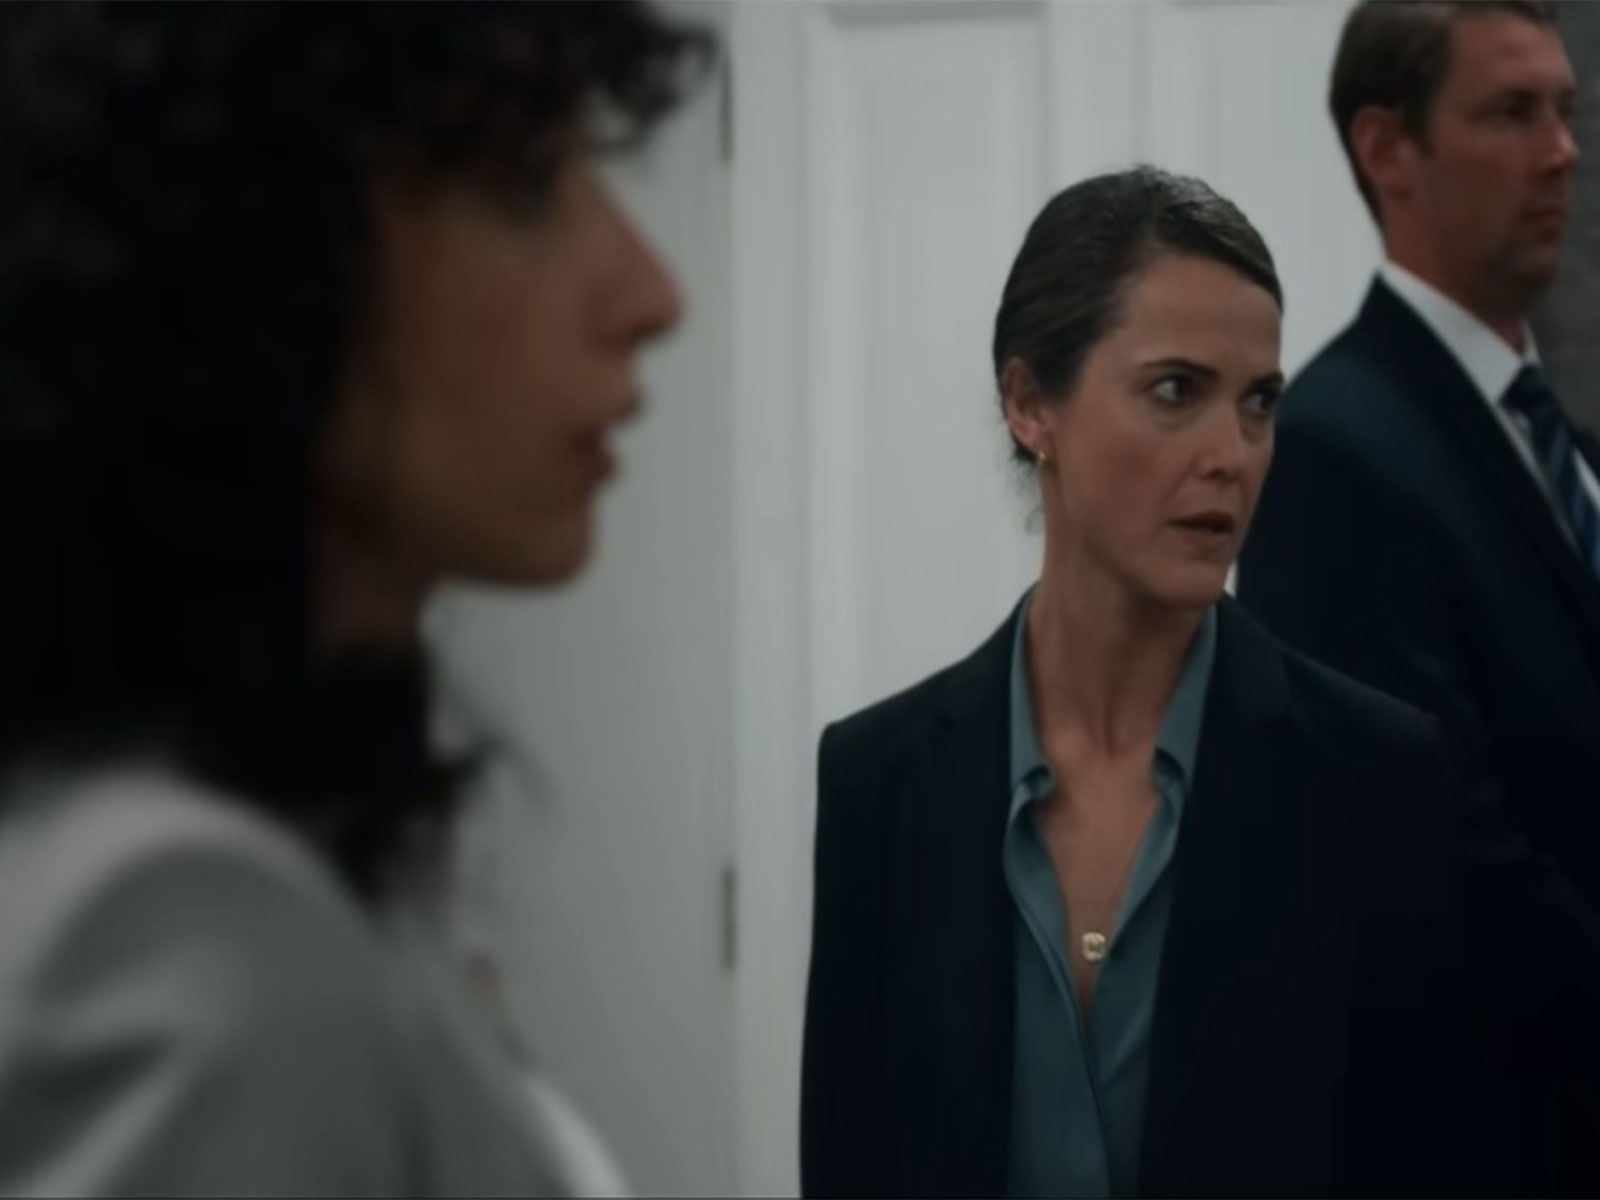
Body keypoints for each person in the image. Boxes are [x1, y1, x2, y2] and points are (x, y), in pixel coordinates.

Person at [0, 3, 706, 1194]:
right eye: (528, 185)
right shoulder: (176, 936)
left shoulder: (298, 846)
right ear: (256, 254)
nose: (651, 290)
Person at [800, 166, 1600, 1198]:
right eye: (1176, 391)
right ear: (1029, 403)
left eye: (1258, 404)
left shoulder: (1379, 782)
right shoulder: (879, 778)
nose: (1233, 455)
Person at [1234, 2, 1600, 1187]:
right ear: (1387, 149)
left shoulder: (1561, 441)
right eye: (1510, 112)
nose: (1561, 151)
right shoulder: (1334, 449)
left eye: (1564, 111)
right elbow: (1432, 852)